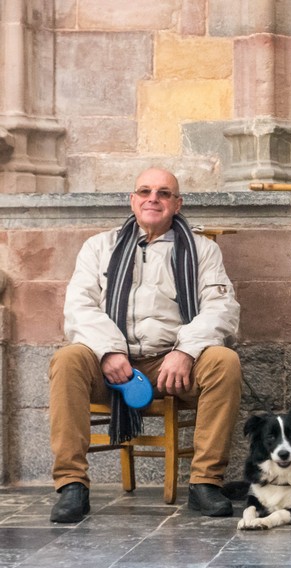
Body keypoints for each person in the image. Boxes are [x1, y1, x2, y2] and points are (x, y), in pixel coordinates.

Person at [49, 167, 242, 523]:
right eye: (145, 191)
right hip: (110, 364)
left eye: (164, 193)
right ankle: (72, 485)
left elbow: (222, 309)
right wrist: (109, 351)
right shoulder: (98, 247)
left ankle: (205, 483)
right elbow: (79, 307)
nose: (154, 198)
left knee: (223, 361)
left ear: (178, 204)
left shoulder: (202, 250)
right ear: (133, 200)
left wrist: (185, 352)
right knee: (67, 359)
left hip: (173, 364)